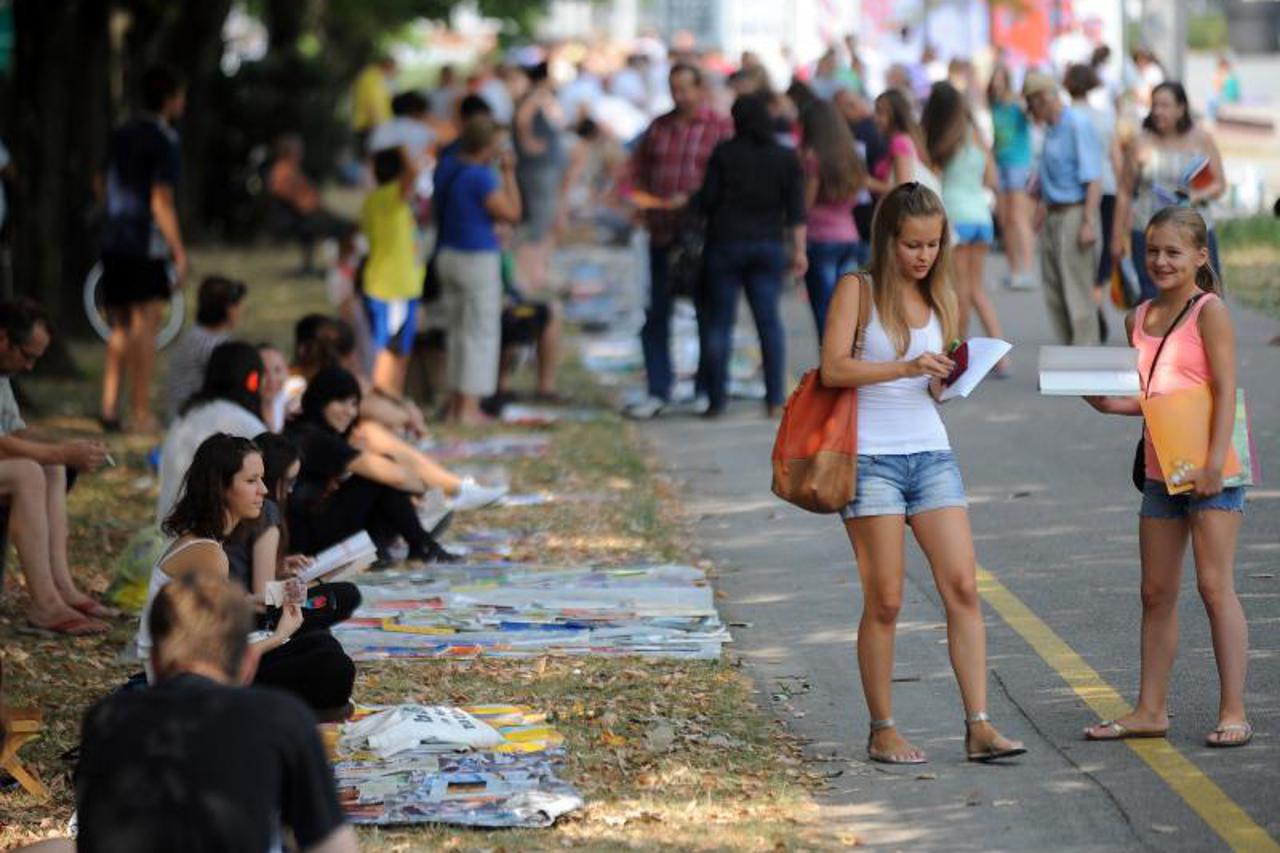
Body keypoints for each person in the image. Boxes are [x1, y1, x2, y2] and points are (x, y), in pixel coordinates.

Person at [817, 183, 1025, 765]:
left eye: (933, 244)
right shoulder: (857, 290)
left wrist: (946, 380)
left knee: (962, 585)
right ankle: (882, 727)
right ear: (887, 240)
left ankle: (979, 724)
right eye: (912, 245)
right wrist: (905, 365)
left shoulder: (940, 295)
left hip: (931, 453)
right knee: (885, 599)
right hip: (871, 459)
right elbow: (833, 369)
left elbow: (932, 387)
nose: (924, 256)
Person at [1083, 206, 1251, 748]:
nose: (1160, 261)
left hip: (1211, 468)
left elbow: (1224, 390)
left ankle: (1233, 711)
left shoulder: (1210, 313)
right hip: (1161, 469)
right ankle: (1150, 708)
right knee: (1155, 592)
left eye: (1173, 252)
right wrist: (1108, 403)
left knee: (1213, 585)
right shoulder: (1140, 315)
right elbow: (1152, 395)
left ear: (1201, 257)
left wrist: (1212, 462)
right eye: (1153, 250)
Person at [79, 573, 357, 853]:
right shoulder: (283, 717)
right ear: (249, 663)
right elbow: (333, 845)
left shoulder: (105, 718)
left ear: (153, 660)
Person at [139, 433, 356, 713]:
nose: (264, 490)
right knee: (331, 664)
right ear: (222, 488)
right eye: (251, 481)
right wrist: (279, 636)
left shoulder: (205, 543)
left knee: (319, 641)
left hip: (197, 674)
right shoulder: (208, 553)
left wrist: (265, 601)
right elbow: (223, 664)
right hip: (187, 691)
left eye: (262, 479)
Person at [624, 63, 733, 419]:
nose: (679, 96)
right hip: (661, 231)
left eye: (686, 88)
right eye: (674, 88)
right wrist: (637, 199)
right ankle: (659, 388)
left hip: (701, 235)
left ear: (700, 89)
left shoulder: (718, 128)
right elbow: (635, 170)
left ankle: (706, 387)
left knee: (705, 313)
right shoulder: (659, 127)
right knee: (657, 311)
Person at [0, 300, 113, 635]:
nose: (30, 367)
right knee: (30, 472)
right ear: (3, 339)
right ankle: (45, 605)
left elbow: (14, 430)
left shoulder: (3, 373)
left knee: (51, 468)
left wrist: (69, 447)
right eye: (27, 355)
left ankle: (61, 587)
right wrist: (58, 450)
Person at [694, 94, 804, 419]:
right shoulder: (785, 157)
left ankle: (717, 399)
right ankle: (774, 398)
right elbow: (796, 210)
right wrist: (799, 250)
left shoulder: (724, 154)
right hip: (768, 245)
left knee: (719, 324)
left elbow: (707, 201)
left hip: (725, 244)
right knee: (768, 322)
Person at [283, 367, 454, 564]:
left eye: (354, 404)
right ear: (320, 400)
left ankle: (395, 547)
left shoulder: (306, 430)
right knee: (380, 476)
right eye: (340, 401)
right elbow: (396, 476)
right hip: (305, 541)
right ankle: (420, 543)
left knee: (382, 479)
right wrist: (421, 488)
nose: (349, 411)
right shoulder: (314, 438)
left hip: (306, 530)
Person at [98, 64, 187, 434]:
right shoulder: (163, 139)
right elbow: (161, 199)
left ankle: (109, 406)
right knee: (146, 323)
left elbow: (99, 181)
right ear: (169, 99)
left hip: (113, 237)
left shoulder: (121, 132)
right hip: (144, 243)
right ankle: (140, 412)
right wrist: (179, 250)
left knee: (120, 323)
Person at [222, 431, 362, 633]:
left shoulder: (235, 507)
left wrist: (280, 567)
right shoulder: (266, 510)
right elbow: (265, 596)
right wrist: (313, 581)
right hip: (250, 618)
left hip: (238, 609)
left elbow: (243, 567)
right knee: (346, 595)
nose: (290, 491)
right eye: (288, 482)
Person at [433, 116, 522, 424]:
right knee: (479, 333)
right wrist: (509, 174)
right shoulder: (480, 176)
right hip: (476, 258)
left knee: (457, 332)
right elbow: (512, 213)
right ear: (487, 145)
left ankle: (457, 403)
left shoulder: (446, 166)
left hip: (447, 254)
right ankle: (469, 408)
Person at [1112, 81, 1226, 303]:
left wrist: (1196, 195)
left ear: (1181, 108)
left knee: (1203, 299)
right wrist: (1116, 238)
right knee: (1153, 298)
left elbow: (1220, 184)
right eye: (1154, 105)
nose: (1157, 111)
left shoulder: (1201, 139)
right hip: (1148, 230)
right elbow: (1124, 192)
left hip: (1195, 230)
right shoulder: (1140, 142)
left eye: (1165, 105)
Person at [922, 81, 1006, 357]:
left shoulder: (939, 140)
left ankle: (956, 354)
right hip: (981, 217)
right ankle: (999, 354)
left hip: (955, 217)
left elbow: (930, 177)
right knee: (975, 289)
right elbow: (991, 179)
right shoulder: (977, 137)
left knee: (958, 291)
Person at [1023, 71, 1102, 346]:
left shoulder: (1077, 124)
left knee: (1076, 288)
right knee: (1054, 288)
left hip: (1075, 211)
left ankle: (1084, 351)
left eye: (1032, 105)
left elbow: (1093, 178)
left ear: (1044, 100)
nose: (1031, 112)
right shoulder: (1050, 131)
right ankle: (1068, 351)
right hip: (1053, 214)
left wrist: (1088, 222)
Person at [156, 342, 268, 524]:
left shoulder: (187, 414)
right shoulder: (247, 424)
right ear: (253, 380)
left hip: (169, 528)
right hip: (206, 534)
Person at [1064, 64, 1121, 338]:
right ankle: (1097, 293)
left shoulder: (1067, 118)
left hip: (1080, 191)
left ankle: (1089, 301)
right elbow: (1116, 157)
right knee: (1106, 246)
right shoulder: (1105, 116)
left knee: (1082, 252)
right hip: (1109, 186)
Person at [799, 100, 865, 338]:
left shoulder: (814, 158)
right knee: (848, 309)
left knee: (825, 310)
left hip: (820, 238)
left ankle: (829, 365)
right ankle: (849, 363)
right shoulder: (851, 156)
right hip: (849, 236)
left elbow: (805, 202)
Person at [361, 147, 423, 397]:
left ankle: (393, 403)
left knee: (398, 351)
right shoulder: (389, 196)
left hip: (397, 287)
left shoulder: (377, 199)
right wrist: (403, 150)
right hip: (392, 289)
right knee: (389, 352)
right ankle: (384, 403)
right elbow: (414, 175)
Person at [513, 61, 567, 293]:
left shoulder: (541, 97)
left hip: (544, 168)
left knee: (543, 221)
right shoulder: (534, 97)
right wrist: (528, 143)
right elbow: (522, 120)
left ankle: (536, 273)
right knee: (538, 222)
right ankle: (529, 276)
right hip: (537, 169)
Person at [267, 135, 357, 274]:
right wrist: (310, 204)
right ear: (290, 152)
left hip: (307, 216)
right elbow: (295, 199)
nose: (301, 154)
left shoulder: (290, 169)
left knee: (344, 224)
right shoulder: (283, 171)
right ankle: (343, 268)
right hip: (302, 219)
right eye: (298, 150)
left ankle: (341, 265)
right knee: (347, 228)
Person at [165, 275, 247, 420]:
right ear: (228, 309)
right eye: (237, 306)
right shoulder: (215, 346)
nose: (240, 311)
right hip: (194, 416)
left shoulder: (193, 335)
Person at [987, 64, 1036, 291]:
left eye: (1000, 79)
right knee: (1005, 220)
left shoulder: (1018, 106)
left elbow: (1032, 112)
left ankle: (1027, 269)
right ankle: (1014, 270)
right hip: (1001, 163)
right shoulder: (994, 106)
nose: (996, 83)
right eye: (994, 79)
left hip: (1018, 164)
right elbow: (995, 138)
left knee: (1018, 218)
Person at [865, 88, 929, 196]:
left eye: (880, 113)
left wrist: (867, 182)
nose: (875, 119)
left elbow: (904, 189)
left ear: (895, 115)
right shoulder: (905, 139)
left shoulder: (899, 142)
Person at [352, 55, 396, 155]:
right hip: (370, 125)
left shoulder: (373, 76)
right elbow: (373, 102)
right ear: (388, 66)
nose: (394, 73)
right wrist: (377, 124)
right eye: (394, 70)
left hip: (371, 124)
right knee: (369, 159)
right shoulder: (373, 77)